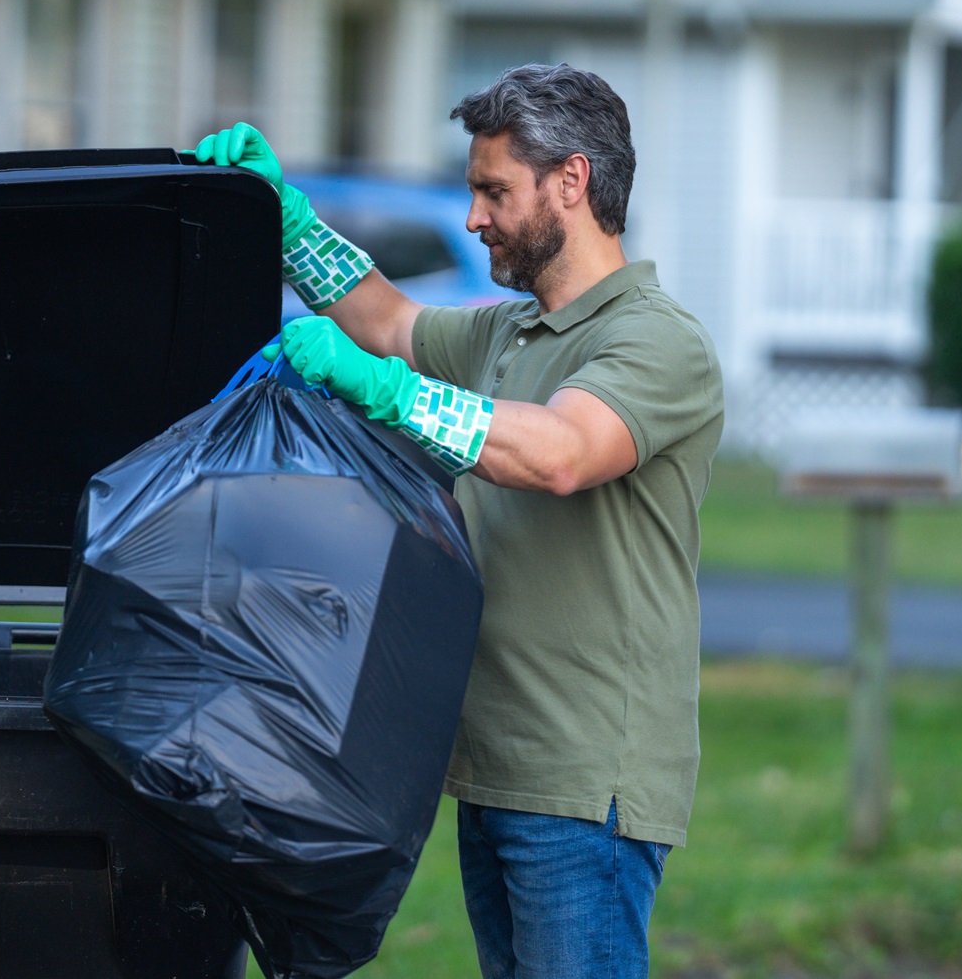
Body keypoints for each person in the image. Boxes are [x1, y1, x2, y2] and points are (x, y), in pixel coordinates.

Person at [191, 62, 723, 979]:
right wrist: (285, 217)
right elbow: (388, 321)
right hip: (494, 769)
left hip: (586, 780)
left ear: (572, 181)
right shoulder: (507, 335)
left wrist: (393, 395)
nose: (474, 216)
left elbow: (558, 452)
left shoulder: (655, 339)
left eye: (492, 191)